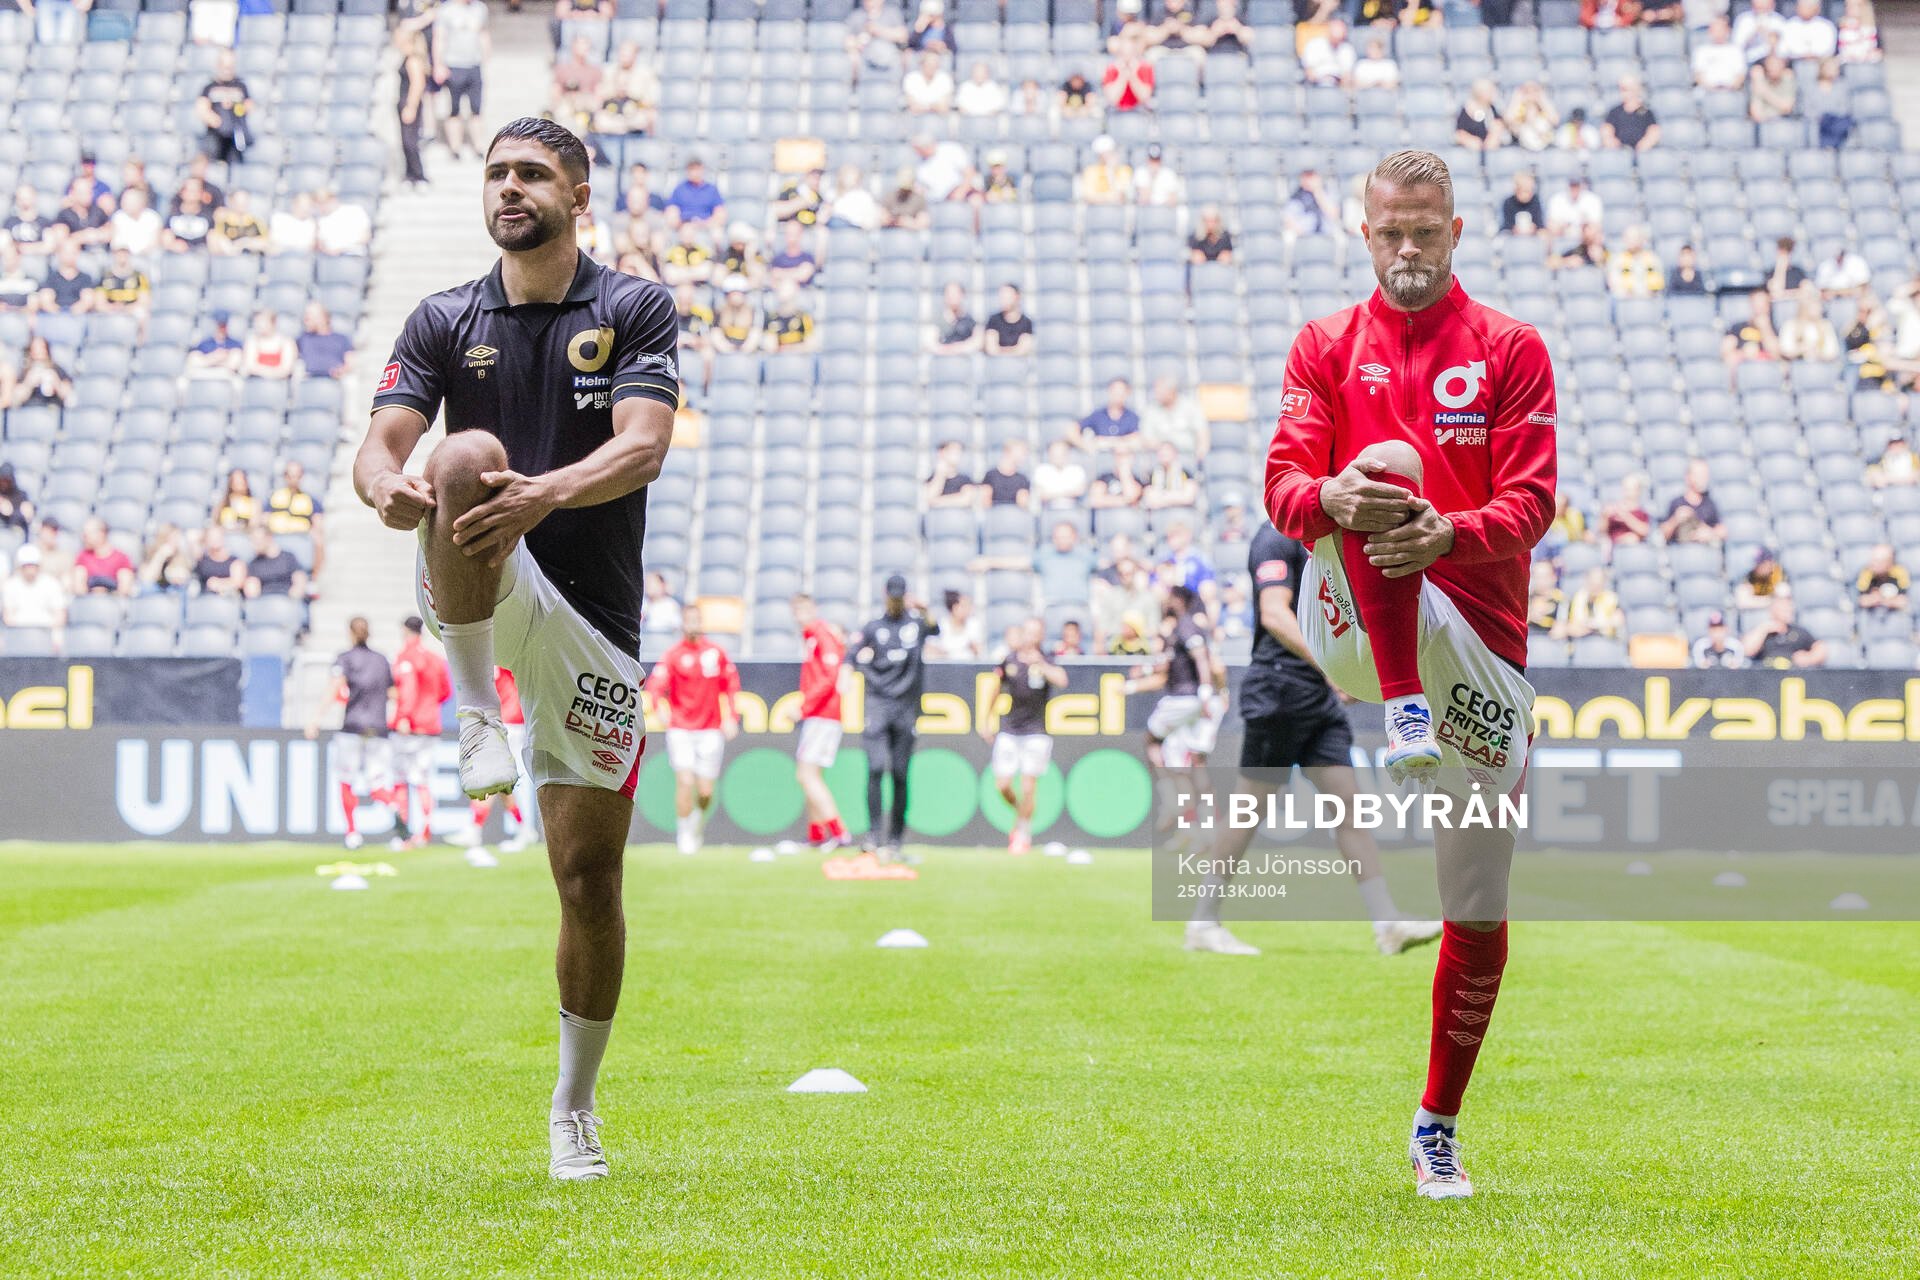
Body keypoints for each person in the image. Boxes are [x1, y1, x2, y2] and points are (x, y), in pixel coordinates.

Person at [354, 118, 681, 1183]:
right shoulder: (445, 315)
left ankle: (573, 1105)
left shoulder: (631, 305)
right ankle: (471, 708)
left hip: (596, 612)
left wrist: (552, 489)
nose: (508, 188)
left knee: (588, 875)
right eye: (496, 172)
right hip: (487, 569)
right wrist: (385, 488)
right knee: (466, 454)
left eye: (531, 173)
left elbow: (643, 445)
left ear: (577, 194)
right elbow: (380, 448)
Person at [1264, 149, 1556, 1201]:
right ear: (1364, 231)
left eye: (1425, 232)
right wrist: (1326, 500)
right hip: (1350, 609)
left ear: (1456, 231)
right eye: (1390, 232)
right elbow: (1282, 480)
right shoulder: (1325, 344)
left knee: (1475, 905)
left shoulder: (1513, 349)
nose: (1407, 251)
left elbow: (1531, 505)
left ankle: (1436, 1124)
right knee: (1380, 467)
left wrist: (1452, 535)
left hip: (1478, 641)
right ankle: (1398, 708)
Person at [1187, 518, 1444, 957]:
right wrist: (1331, 668)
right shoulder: (1274, 536)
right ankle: (1203, 920)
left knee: (1349, 807)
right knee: (1249, 809)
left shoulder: (1328, 541)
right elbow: (1273, 613)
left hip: (1317, 696)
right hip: (1280, 687)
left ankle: (1387, 925)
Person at [848, 575, 938, 861]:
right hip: (878, 704)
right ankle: (874, 835)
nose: (896, 603)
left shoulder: (916, 624)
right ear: (886, 596)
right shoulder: (874, 627)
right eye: (893, 597)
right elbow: (850, 655)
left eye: (901, 598)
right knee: (875, 768)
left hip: (906, 707)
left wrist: (925, 609)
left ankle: (895, 838)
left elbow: (937, 630)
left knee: (900, 774)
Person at [643, 604, 739, 856]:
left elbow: (731, 685)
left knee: (705, 791)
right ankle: (684, 833)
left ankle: (696, 822)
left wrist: (731, 716)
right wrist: (658, 707)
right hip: (681, 728)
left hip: (710, 729)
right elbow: (654, 687)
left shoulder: (716, 654)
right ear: (683, 624)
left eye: (697, 619)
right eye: (689, 620)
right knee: (685, 781)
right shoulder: (673, 655)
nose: (693, 624)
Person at [305, 617, 397, 852]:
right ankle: (399, 816)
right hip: (378, 729)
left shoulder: (344, 659)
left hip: (353, 728)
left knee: (347, 780)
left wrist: (315, 718)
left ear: (350, 633)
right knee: (377, 785)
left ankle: (352, 832)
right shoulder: (382, 660)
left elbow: (335, 688)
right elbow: (394, 693)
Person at [980, 618, 1067, 857]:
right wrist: (987, 719)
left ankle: (1022, 834)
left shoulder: (1046, 659)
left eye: (1036, 633)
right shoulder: (1010, 659)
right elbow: (996, 688)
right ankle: (1021, 813)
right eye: (1028, 632)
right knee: (1003, 785)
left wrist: (1040, 663)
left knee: (1029, 786)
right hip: (1010, 728)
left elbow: (1062, 679)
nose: (1031, 637)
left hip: (1036, 731)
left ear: (1041, 635)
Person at [791, 594, 852, 852]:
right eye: (797, 610)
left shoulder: (822, 635)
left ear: (814, 609)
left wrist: (804, 706)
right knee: (811, 775)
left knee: (806, 775)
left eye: (805, 609)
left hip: (822, 715)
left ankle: (840, 833)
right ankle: (816, 835)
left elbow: (830, 677)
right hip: (821, 715)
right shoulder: (812, 636)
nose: (801, 614)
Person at [388, 615, 452, 851]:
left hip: (409, 728)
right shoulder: (436, 659)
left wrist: (405, 716)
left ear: (405, 631)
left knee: (401, 780)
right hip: (430, 726)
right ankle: (424, 832)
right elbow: (445, 692)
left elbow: (408, 690)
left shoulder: (405, 657)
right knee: (423, 780)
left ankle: (403, 836)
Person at [457, 666, 536, 854]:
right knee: (500, 781)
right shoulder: (489, 660)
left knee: (492, 774)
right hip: (504, 720)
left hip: (510, 723)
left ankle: (475, 828)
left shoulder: (502, 658)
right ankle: (523, 829)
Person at [432, 0, 491, 161]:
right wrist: (439, 64)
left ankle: (478, 146)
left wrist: (486, 55)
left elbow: (483, 32)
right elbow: (439, 38)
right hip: (453, 64)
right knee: (454, 109)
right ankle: (455, 147)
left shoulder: (480, 8)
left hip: (474, 64)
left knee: (476, 108)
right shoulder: (446, 10)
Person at [195, 50, 253, 164]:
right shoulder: (210, 87)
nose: (227, 70)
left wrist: (237, 108)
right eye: (224, 66)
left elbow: (248, 106)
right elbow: (201, 108)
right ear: (218, 66)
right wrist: (217, 121)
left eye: (230, 66)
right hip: (215, 136)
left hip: (235, 135)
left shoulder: (240, 86)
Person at [1746, 595, 1827, 668]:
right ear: (1772, 610)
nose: (1788, 611)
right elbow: (1746, 651)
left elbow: (1820, 648)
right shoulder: (1762, 631)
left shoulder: (1798, 632)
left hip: (1793, 678)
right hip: (1765, 677)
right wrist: (1764, 630)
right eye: (1783, 608)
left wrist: (1809, 658)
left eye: (1789, 608)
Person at [1659, 460, 1726, 543]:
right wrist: (1675, 519)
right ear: (1688, 477)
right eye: (1700, 475)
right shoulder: (1676, 503)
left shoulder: (1709, 503)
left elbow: (1723, 531)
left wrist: (1710, 533)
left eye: (1705, 475)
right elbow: (1662, 534)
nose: (1704, 479)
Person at [398, 30, 431, 187]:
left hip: (410, 102)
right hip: (404, 102)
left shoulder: (413, 60)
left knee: (410, 142)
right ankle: (409, 174)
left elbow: (418, 85)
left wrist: (410, 107)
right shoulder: (408, 59)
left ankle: (419, 175)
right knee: (406, 141)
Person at [71, 517, 135, 596]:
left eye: (87, 534)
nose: (84, 538)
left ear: (101, 533)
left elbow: (124, 590)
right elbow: (79, 588)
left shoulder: (121, 558)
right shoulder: (83, 557)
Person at [297, 302, 355, 379]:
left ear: (323, 317)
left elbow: (350, 362)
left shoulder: (341, 339)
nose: (305, 320)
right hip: (308, 379)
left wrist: (341, 371)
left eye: (309, 317)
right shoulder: (302, 339)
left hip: (336, 379)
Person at [1602, 74, 1660, 151]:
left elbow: (1654, 131)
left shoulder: (1646, 112)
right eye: (1622, 89)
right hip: (1620, 152)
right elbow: (1607, 129)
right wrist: (1610, 141)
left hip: (1641, 152)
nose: (1624, 93)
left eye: (1626, 89)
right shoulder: (1615, 112)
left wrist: (1646, 143)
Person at [194, 523, 248, 594]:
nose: (215, 539)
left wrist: (219, 583)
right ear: (206, 539)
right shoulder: (202, 560)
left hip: (228, 599)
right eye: (211, 536)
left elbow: (239, 582)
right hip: (205, 599)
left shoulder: (234, 561)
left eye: (217, 536)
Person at [983, 283, 1034, 356]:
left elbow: (1023, 350)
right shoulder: (993, 320)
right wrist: (1013, 350)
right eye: (1002, 297)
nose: (1003, 300)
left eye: (1007, 296)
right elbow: (991, 349)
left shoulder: (1026, 322)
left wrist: (1001, 350)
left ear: (1017, 297)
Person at [1857, 543, 1909, 612]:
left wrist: (1882, 599)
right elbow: (1862, 601)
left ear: (1889, 562)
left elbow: (1903, 601)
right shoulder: (1866, 572)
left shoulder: (1900, 572)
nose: (1873, 564)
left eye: (1878, 561)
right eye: (1873, 560)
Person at [1500, 172, 1546, 238]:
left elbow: (1539, 224)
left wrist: (1534, 228)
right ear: (1517, 190)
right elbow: (1507, 225)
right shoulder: (1508, 202)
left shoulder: (1535, 201)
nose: (1529, 194)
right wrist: (1515, 230)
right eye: (1525, 191)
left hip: (1533, 236)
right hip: (1513, 237)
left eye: (1531, 190)